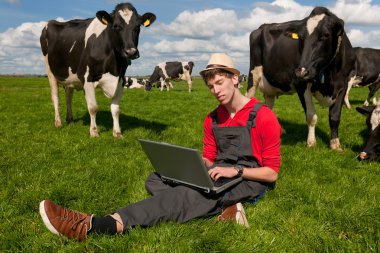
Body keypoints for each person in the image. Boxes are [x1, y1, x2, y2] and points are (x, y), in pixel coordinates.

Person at [39, 53, 282, 241]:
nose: (215, 91)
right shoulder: (212, 118)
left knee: (192, 193)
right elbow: (209, 157)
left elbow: (271, 174)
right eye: (210, 87)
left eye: (220, 83)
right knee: (156, 179)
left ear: (234, 79)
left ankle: (102, 225)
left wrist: (235, 172)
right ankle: (221, 209)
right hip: (219, 175)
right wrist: (193, 169)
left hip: (248, 178)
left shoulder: (263, 116)